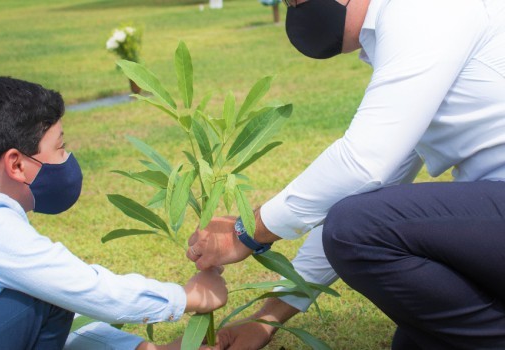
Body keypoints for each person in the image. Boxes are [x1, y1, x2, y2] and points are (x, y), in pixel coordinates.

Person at [186, 0, 505, 348]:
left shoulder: (424, 9)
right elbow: (372, 181)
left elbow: (364, 163)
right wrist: (267, 318)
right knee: (418, 337)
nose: (294, 7)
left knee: (356, 226)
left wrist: (246, 232)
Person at [0, 76, 228, 350]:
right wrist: (185, 297)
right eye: (59, 147)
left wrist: (134, 347)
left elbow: (55, 305)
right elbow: (83, 290)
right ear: (17, 164)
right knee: (44, 295)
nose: (67, 158)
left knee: (39, 294)